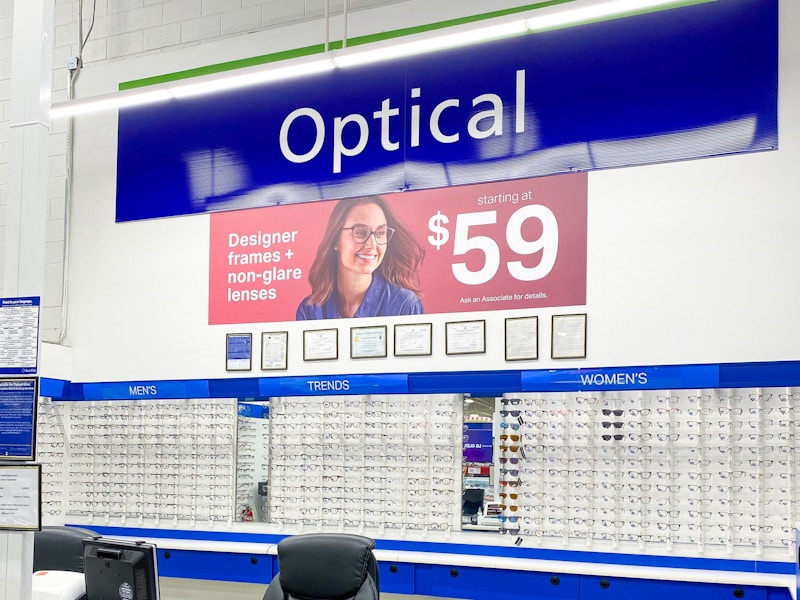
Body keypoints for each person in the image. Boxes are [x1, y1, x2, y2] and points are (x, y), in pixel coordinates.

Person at [296, 195, 425, 320]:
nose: (372, 245)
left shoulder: (405, 306)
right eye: (361, 233)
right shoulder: (310, 311)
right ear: (335, 239)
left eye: (380, 233)